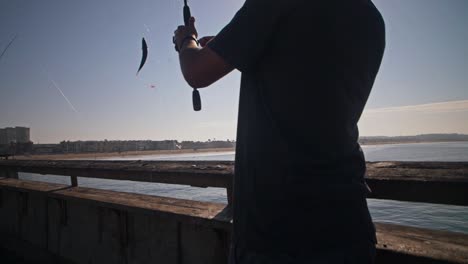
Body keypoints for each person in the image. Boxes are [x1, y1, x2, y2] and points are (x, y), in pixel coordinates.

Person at [173, 0, 385, 263]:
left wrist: (186, 40)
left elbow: (197, 71)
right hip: (349, 228)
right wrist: (234, 43)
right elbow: (306, 64)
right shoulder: (372, 18)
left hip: (274, 235)